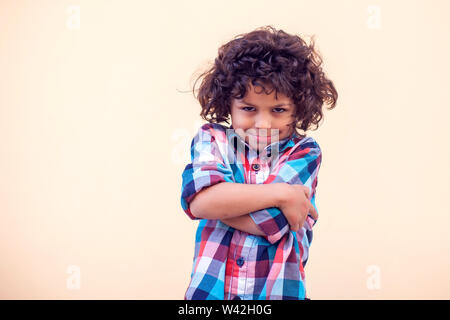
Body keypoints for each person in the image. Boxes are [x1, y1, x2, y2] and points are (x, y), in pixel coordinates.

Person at [180, 25, 337, 300]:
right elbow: (200, 203)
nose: (263, 124)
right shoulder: (211, 139)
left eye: (278, 110)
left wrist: (221, 200)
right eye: (249, 108)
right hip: (211, 295)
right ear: (228, 103)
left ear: (298, 108)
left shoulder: (304, 151)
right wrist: (280, 193)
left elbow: (274, 222)